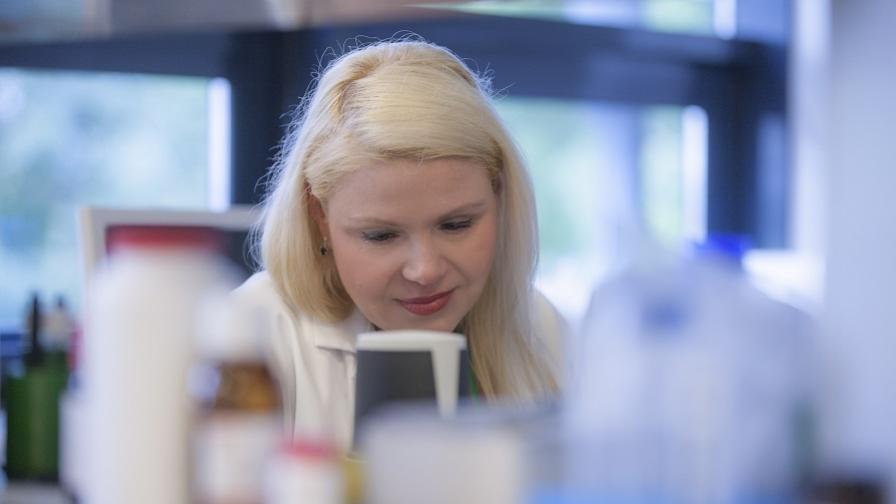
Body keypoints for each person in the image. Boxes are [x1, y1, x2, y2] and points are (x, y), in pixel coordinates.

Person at [233, 38, 566, 449]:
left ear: (499, 195)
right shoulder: (251, 336)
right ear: (318, 215)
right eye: (381, 236)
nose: (424, 270)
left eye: (457, 225)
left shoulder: (539, 325)